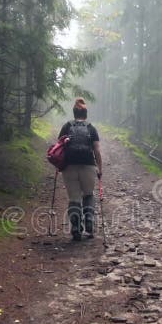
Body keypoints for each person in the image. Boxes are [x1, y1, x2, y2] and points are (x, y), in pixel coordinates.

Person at [58, 98, 102, 241]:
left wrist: (58, 164)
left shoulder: (66, 126)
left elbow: (59, 147)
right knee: (88, 194)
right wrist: (99, 168)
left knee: (74, 198)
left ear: (74, 112)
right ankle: (89, 221)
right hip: (88, 166)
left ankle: (76, 228)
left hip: (69, 166)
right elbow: (96, 150)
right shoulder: (91, 128)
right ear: (86, 113)